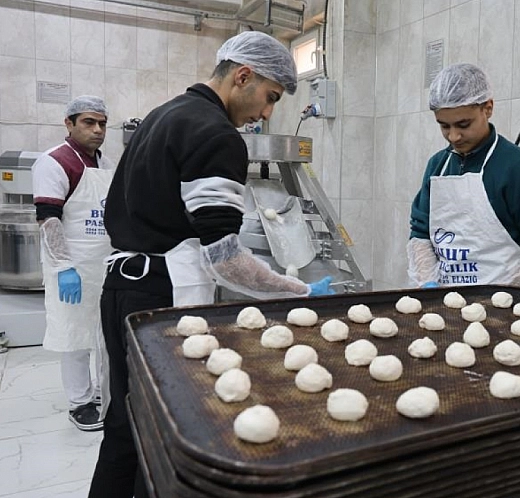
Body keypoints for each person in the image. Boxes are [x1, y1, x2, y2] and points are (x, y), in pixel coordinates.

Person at [87, 31, 334, 498]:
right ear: (243, 76)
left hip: (122, 288)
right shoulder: (216, 134)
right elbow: (225, 259)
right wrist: (299, 293)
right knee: (161, 434)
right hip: (163, 299)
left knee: (124, 425)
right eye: (269, 98)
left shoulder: (164, 115)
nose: (265, 113)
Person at [407, 63, 520, 289]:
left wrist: (503, 294)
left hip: (500, 312)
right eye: (444, 126)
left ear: (488, 108)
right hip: (443, 303)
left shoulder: (517, 168)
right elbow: (420, 233)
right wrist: (428, 283)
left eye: (464, 124)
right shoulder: (438, 165)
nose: (453, 136)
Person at [33, 95, 114, 432]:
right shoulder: (53, 162)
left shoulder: (106, 164)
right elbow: (49, 220)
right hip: (72, 264)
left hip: (105, 261)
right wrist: (64, 266)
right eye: (88, 122)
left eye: (102, 123)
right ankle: (79, 402)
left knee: (103, 332)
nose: (97, 130)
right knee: (76, 335)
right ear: (69, 124)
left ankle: (101, 393)